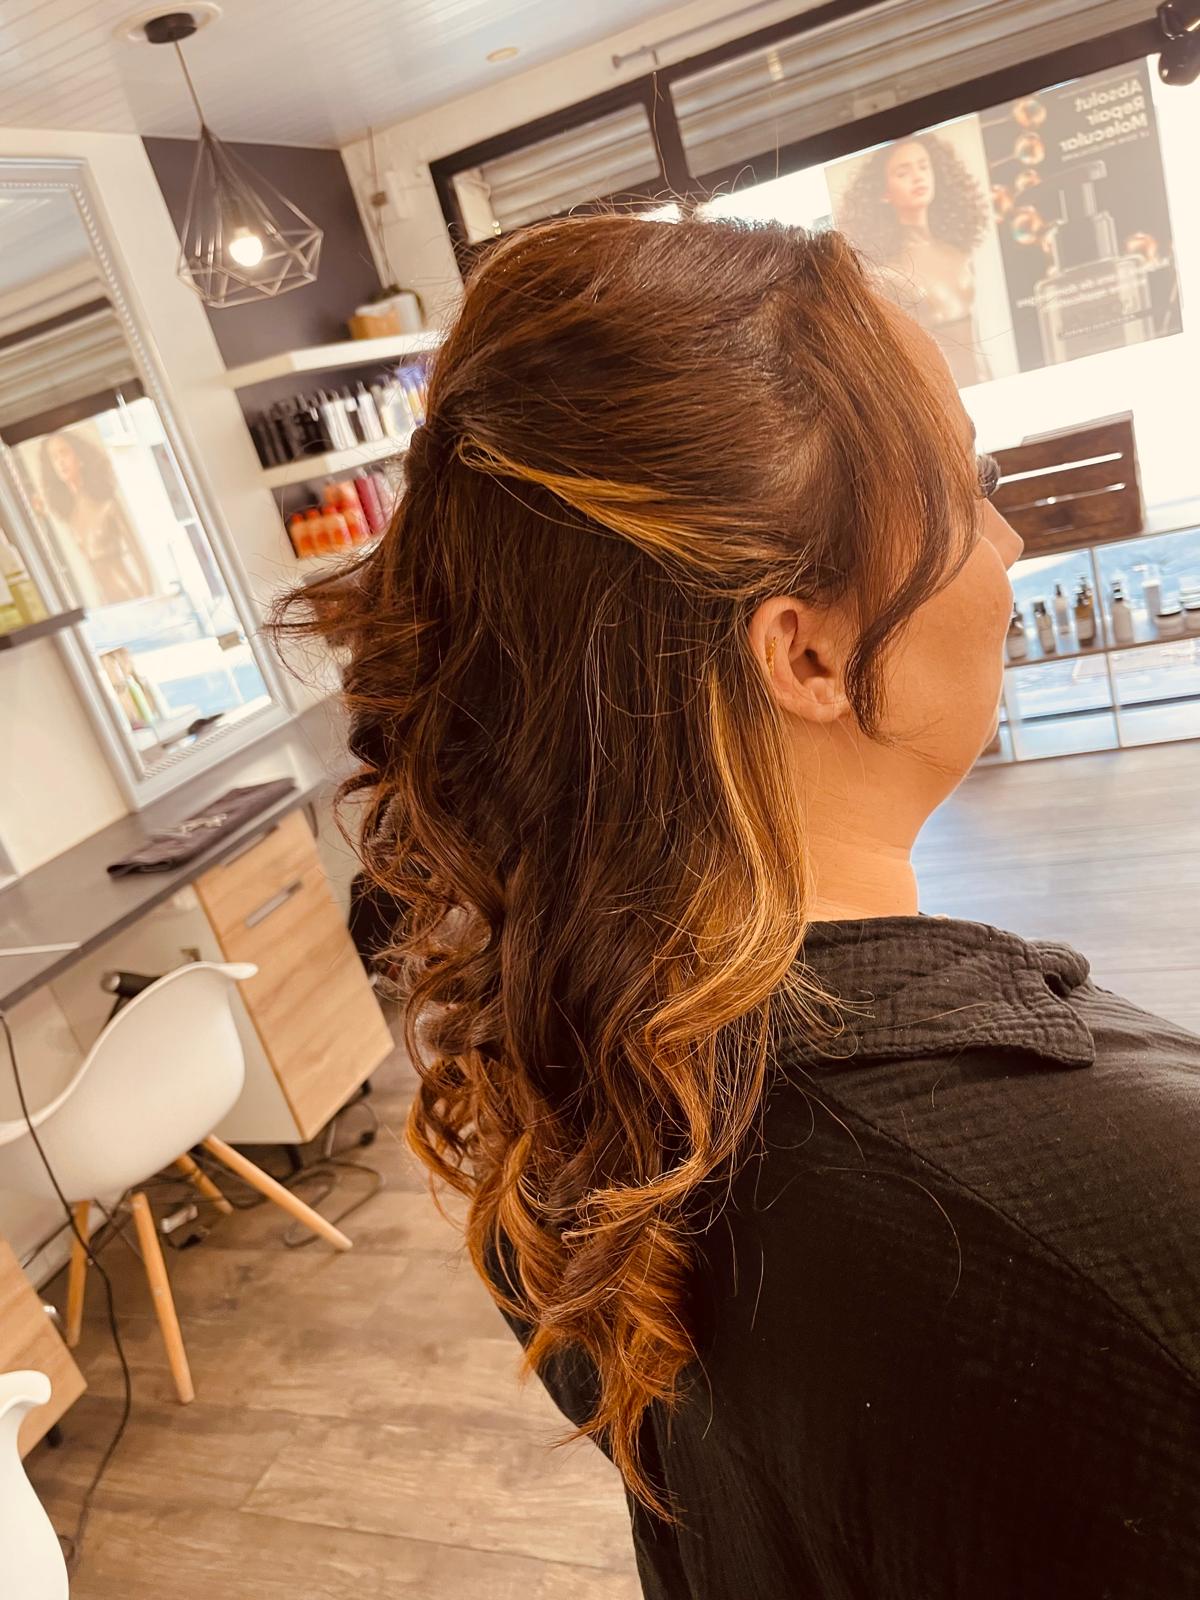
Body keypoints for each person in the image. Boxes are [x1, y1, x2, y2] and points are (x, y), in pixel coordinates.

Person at [282, 215, 1200, 1598]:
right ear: (808, 651)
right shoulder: (1142, 1214)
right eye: (970, 485)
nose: (1011, 541)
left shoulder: (558, 1083)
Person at [836, 133, 993, 387]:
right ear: (884, 193)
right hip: (940, 392)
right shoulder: (888, 273)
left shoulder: (959, 253)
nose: (918, 177)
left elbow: (976, 339)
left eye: (923, 166)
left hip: (985, 382)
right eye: (903, 173)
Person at [38, 429, 154, 605]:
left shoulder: (108, 506)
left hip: (129, 594)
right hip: (105, 602)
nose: (60, 462)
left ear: (79, 457)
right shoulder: (71, 516)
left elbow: (140, 558)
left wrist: (150, 601)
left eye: (64, 453)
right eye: (54, 457)